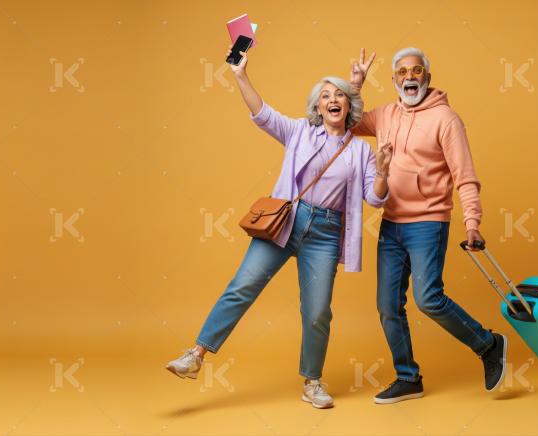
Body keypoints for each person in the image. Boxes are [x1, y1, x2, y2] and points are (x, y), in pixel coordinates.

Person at [166, 43, 392, 409]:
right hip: (287, 220)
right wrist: (240, 74)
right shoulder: (300, 132)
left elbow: (376, 198)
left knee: (317, 311)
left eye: (339, 96)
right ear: (317, 108)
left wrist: (382, 171)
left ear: (348, 105)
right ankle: (196, 354)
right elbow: (263, 114)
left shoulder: (362, 150)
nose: (332, 100)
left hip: (326, 233)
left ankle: (312, 382)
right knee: (243, 285)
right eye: (325, 96)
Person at [349, 47, 507, 404]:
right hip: (391, 224)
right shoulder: (385, 114)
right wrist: (355, 85)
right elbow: (349, 121)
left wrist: (472, 223)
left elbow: (465, 176)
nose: (409, 77)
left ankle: (488, 344)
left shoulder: (446, 119)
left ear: (427, 78)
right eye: (402, 72)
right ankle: (408, 377)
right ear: (393, 80)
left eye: (417, 71)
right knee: (387, 305)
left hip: (429, 222)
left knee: (428, 298)